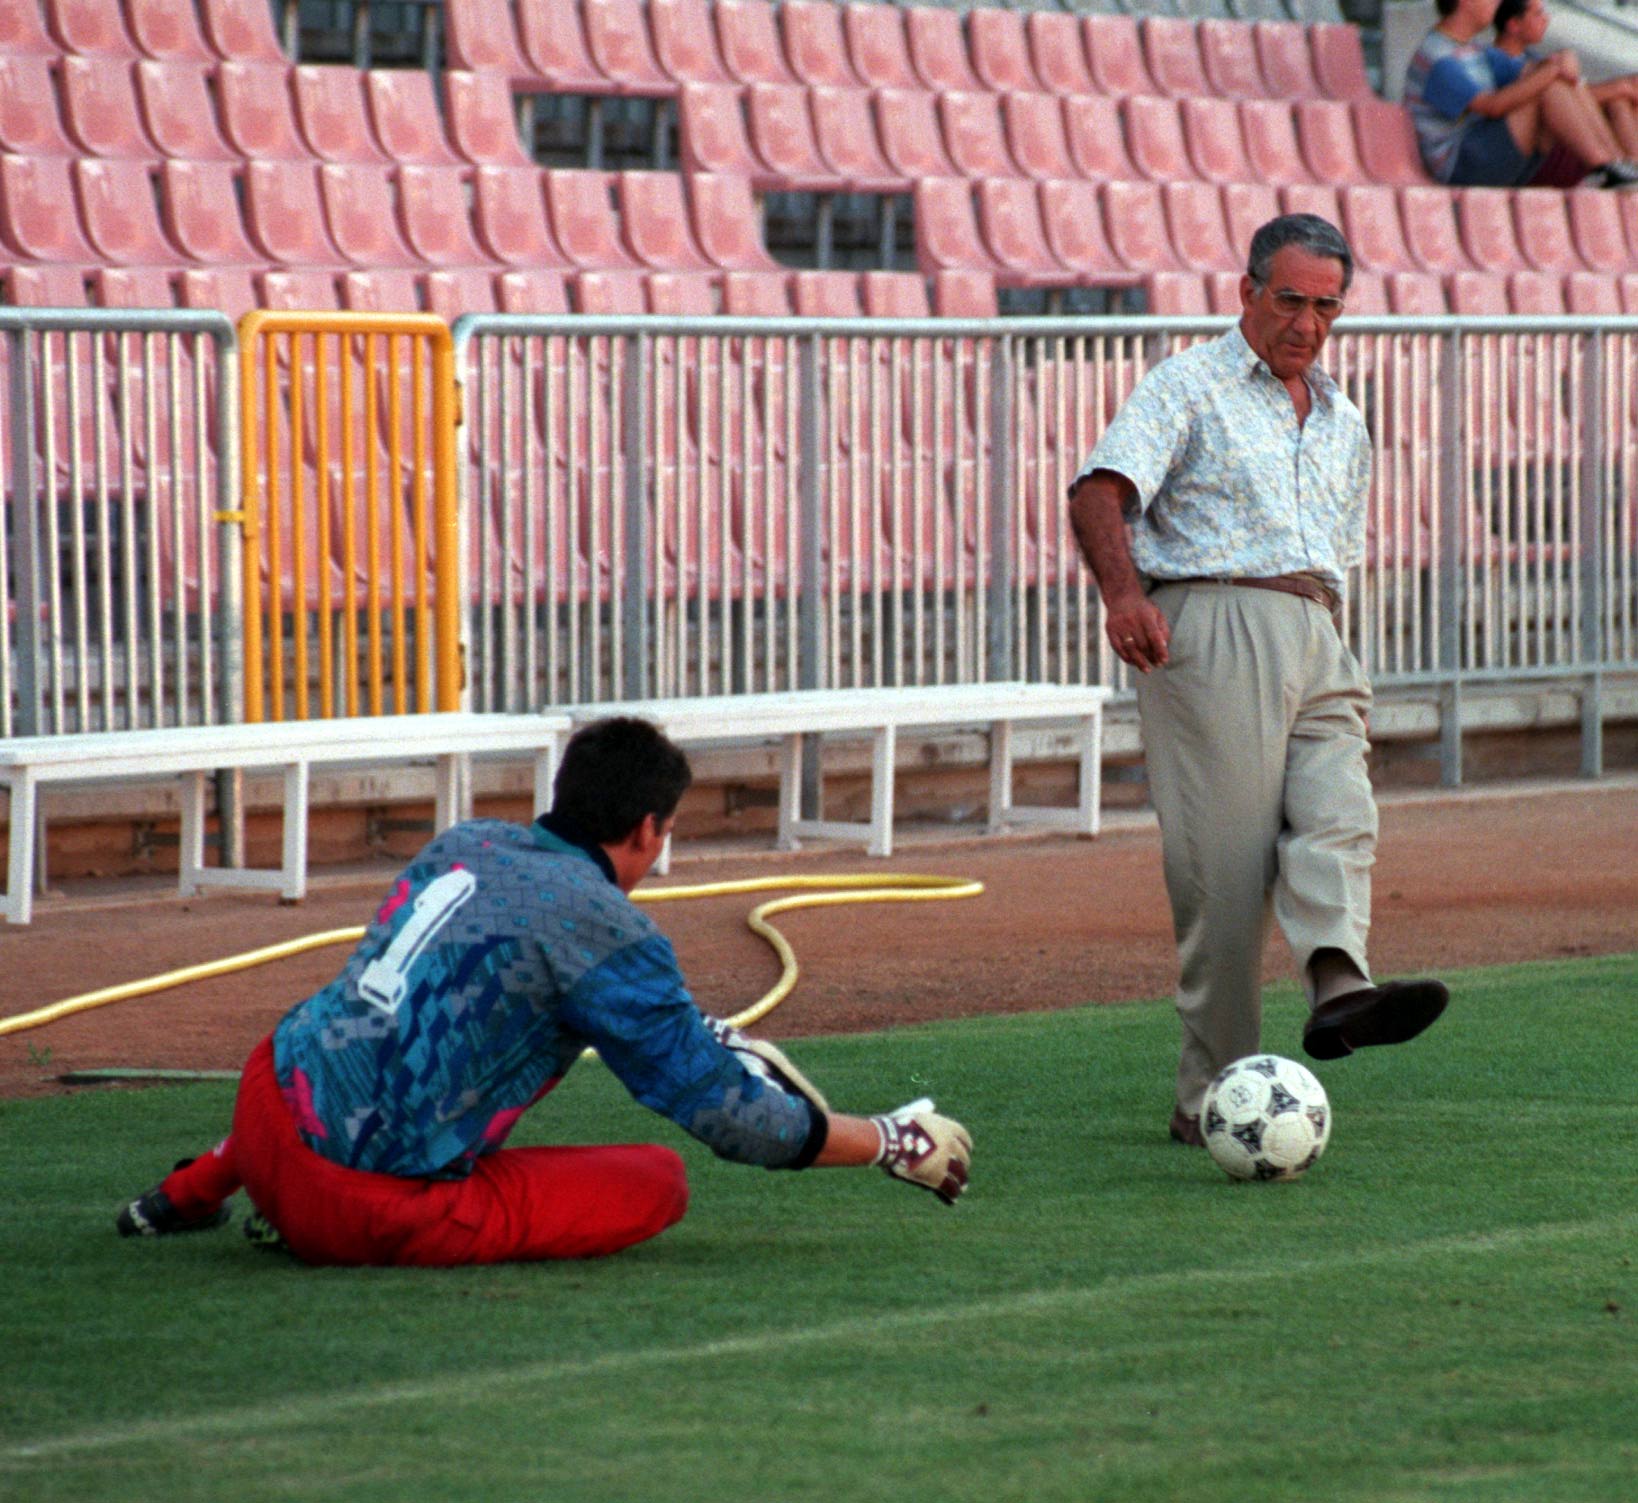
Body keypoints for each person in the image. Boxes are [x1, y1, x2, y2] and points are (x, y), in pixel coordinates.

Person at [115, 716, 972, 1263]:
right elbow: (730, 1119)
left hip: (263, 1101)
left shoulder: (467, 840)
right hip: (352, 1201)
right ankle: (281, 1209)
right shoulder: (609, 927)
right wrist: (887, 1139)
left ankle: (187, 1193)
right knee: (657, 1180)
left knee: (352, 1045)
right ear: (647, 829)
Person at [1066, 214, 1449, 1148]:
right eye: (1291, 300)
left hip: (1317, 628)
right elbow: (1098, 490)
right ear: (1247, 293)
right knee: (1227, 881)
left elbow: (1339, 545)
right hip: (1212, 623)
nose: (1308, 324)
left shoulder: (1346, 416)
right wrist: (1124, 595)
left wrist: (1326, 634)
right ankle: (1211, 1095)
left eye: (1327, 306)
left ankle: (1337, 985)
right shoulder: (1188, 385)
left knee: (1340, 815)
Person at [1402, 0, 1638, 190]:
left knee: (1551, 81)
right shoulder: (1437, 58)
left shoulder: (1472, 49)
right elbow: (1492, 106)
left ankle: (1616, 164)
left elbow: (1530, 70)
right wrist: (1553, 70)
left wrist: (1562, 58)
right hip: (1458, 168)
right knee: (1547, 86)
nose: (1496, 3)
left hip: (1483, 153)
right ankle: (1605, 166)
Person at [1491, 0, 1638, 169]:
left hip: (1549, 143)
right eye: (1538, 14)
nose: (1546, 19)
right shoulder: (1497, 60)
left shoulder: (1532, 58)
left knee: (1619, 101)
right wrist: (1620, 88)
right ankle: (1612, 165)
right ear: (1514, 25)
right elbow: (1557, 97)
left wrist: (1620, 90)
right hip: (1532, 148)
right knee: (1557, 86)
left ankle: (1629, 167)